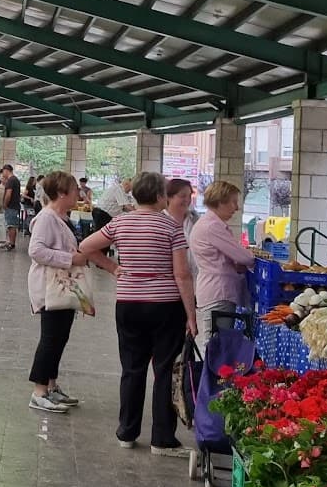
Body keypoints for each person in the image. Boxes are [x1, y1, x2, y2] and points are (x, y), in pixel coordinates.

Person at [75, 170, 197, 455]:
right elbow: (182, 274)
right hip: (165, 307)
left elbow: (86, 246)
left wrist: (114, 268)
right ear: (160, 197)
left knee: (132, 369)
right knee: (164, 370)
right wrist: (191, 315)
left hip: (129, 304)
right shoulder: (171, 227)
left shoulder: (120, 223)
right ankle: (162, 439)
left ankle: (127, 432)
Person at [27, 171, 115, 413]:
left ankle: (51, 386)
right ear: (61, 193)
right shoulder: (46, 218)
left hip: (64, 288)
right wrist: (70, 258)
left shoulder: (62, 217)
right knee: (50, 339)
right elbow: (36, 251)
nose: (79, 193)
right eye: (75, 189)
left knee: (59, 338)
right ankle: (39, 391)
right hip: (50, 288)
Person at [188, 180, 256, 324]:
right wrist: (248, 257)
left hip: (213, 292)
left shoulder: (206, 224)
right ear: (220, 202)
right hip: (219, 293)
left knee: (216, 335)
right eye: (233, 202)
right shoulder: (213, 227)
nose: (236, 208)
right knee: (220, 336)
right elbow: (246, 257)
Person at [0, 162, 22, 251]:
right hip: (14, 206)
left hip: (11, 206)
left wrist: (5, 204)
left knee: (11, 225)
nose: (3, 174)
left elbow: (8, 194)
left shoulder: (11, 180)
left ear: (6, 171)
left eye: (3, 172)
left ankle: (11, 243)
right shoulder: (15, 179)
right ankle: (10, 242)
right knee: (11, 225)